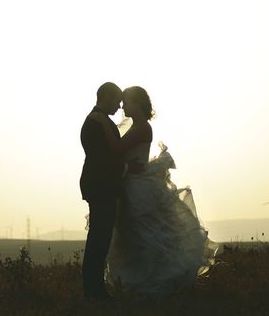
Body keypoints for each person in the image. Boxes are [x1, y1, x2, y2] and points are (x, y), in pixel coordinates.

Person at [88, 86, 217, 297]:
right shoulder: (138, 126)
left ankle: (150, 282)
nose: (123, 106)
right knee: (136, 236)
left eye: (127, 102)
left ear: (137, 104)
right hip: (133, 182)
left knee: (144, 233)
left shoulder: (143, 128)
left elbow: (118, 150)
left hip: (139, 188)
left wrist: (102, 123)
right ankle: (138, 281)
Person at [79, 82, 143, 301]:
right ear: (105, 96)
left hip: (102, 185)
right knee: (98, 239)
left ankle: (95, 289)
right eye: (116, 100)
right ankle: (93, 290)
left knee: (101, 238)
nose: (119, 106)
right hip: (100, 186)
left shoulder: (100, 121)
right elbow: (102, 159)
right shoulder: (95, 123)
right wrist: (127, 168)